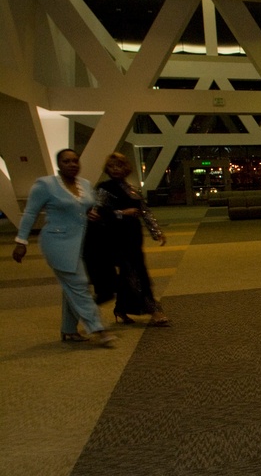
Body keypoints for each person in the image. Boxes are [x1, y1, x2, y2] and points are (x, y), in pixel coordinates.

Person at [11, 148, 117, 347]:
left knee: (71, 286)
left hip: (83, 242)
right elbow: (30, 213)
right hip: (57, 243)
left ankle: (69, 330)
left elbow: (86, 208)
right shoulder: (45, 185)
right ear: (59, 165)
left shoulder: (84, 184)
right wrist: (21, 242)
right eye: (67, 161)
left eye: (75, 161)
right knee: (79, 283)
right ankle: (99, 329)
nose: (72, 164)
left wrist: (90, 213)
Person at [91, 152, 170, 326]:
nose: (115, 169)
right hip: (114, 238)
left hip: (133, 236)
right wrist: (122, 213)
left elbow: (145, 212)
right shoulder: (104, 188)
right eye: (111, 166)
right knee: (136, 273)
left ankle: (121, 308)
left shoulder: (133, 189)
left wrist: (157, 232)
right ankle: (153, 309)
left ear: (126, 168)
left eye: (119, 166)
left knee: (130, 273)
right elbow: (97, 214)